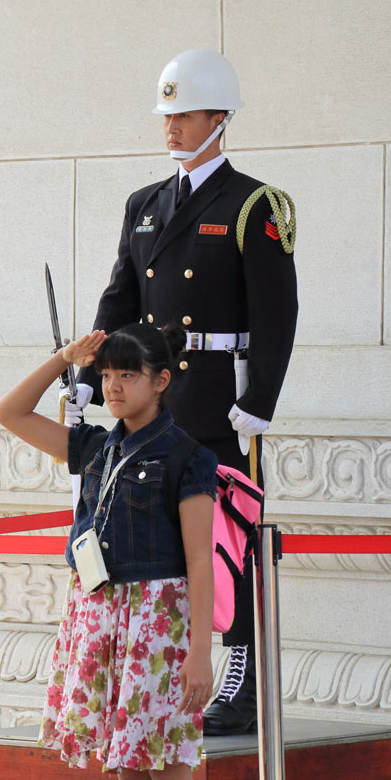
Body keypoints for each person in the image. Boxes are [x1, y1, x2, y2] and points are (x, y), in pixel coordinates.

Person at [76, 48, 299, 736]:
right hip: (153, 402)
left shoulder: (251, 204)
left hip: (215, 404)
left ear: (219, 117)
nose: (170, 126)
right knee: (162, 543)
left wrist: (258, 399)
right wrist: (89, 377)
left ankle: (240, 675)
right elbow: (120, 299)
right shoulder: (143, 205)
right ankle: (171, 666)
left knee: (227, 545)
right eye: (166, 114)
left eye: (184, 113)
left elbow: (276, 311)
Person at [0, 323, 217, 780]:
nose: (113, 386)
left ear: (161, 381)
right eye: (107, 374)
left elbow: (199, 560)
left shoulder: (188, 457)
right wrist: (64, 359)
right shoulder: (95, 446)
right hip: (103, 613)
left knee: (168, 764)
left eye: (128, 374)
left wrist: (200, 651)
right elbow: (8, 411)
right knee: (127, 764)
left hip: (159, 620)